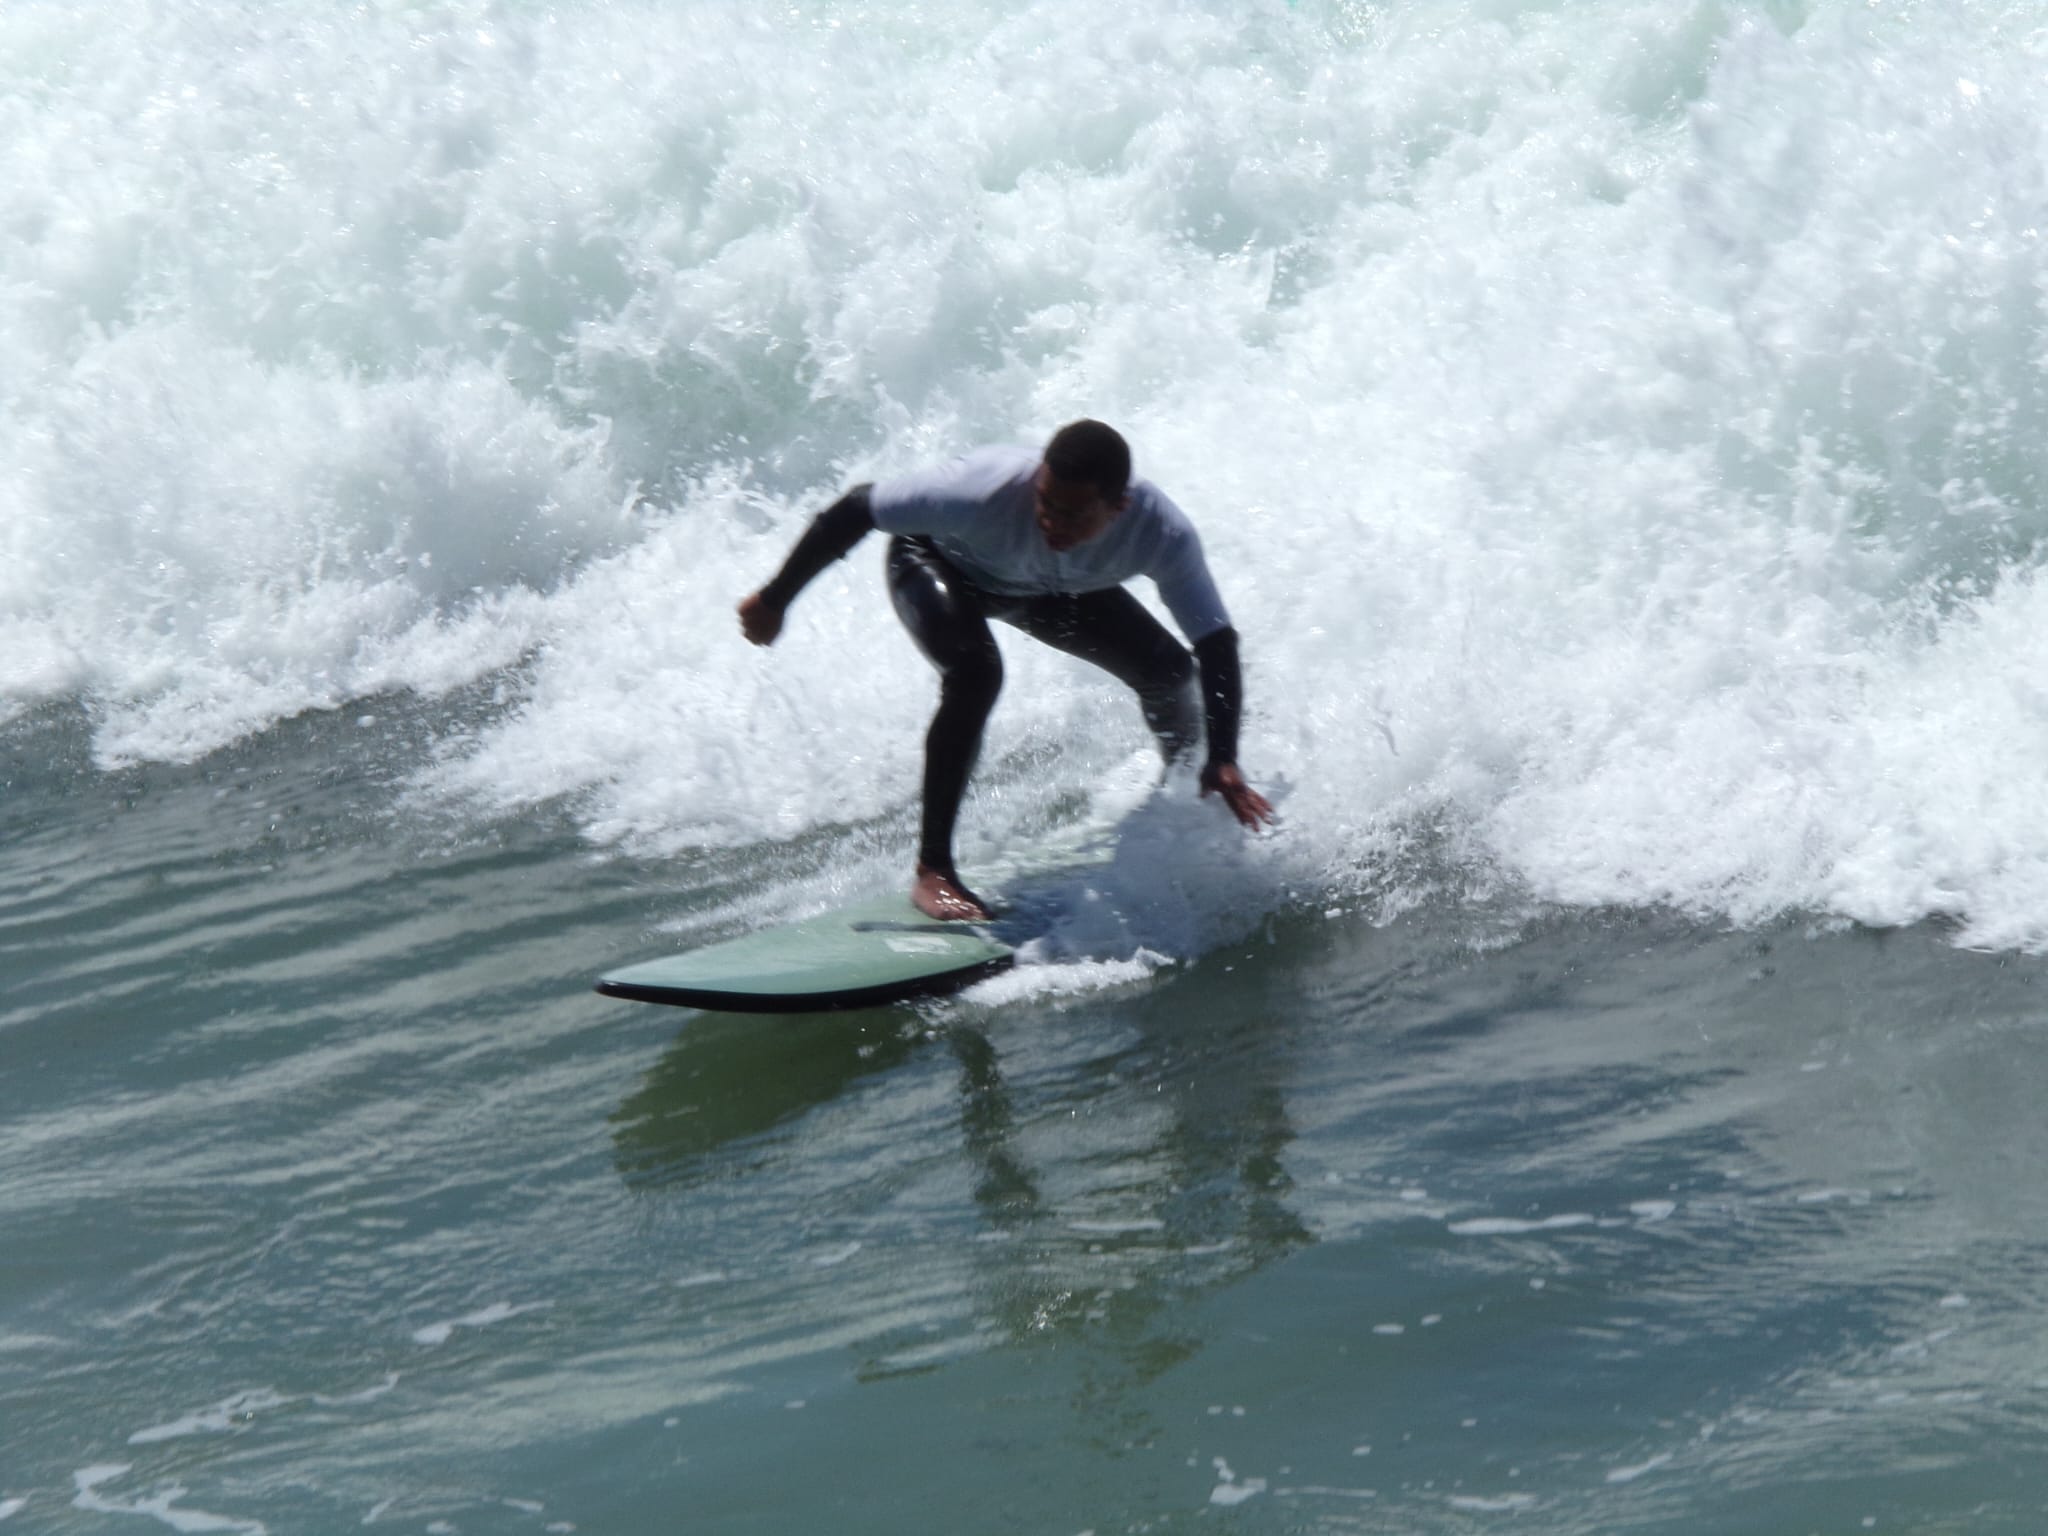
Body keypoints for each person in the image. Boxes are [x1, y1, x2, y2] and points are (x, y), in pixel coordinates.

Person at [738, 419, 1274, 921]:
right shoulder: (977, 490)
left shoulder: (1161, 532)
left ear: (1119, 507)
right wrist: (775, 598)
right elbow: (856, 509)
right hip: (939, 564)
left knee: (1169, 672)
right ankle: (933, 872)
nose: (1050, 522)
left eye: (1073, 515)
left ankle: (1184, 789)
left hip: (1048, 591)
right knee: (975, 674)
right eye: (1045, 502)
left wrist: (1224, 756)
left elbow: (1215, 640)